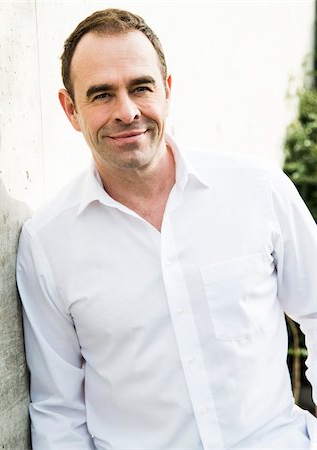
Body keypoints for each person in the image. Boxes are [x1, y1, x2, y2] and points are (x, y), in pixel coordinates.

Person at [16, 8, 317, 450]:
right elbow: (58, 410)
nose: (126, 111)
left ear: (167, 90)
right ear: (70, 109)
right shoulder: (47, 244)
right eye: (101, 95)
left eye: (141, 87)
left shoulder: (256, 188)